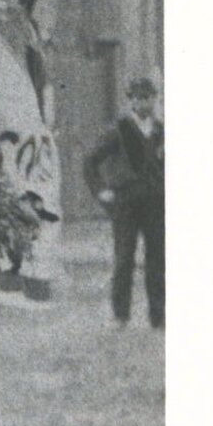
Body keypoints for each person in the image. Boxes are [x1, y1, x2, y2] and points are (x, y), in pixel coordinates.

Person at [84, 74, 165, 328]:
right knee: (124, 258)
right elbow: (90, 161)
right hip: (126, 202)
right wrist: (101, 190)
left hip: (155, 202)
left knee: (158, 259)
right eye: (138, 98)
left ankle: (158, 316)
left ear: (155, 99)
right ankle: (120, 315)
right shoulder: (119, 130)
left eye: (148, 97)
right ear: (131, 100)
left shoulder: (161, 131)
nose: (143, 103)